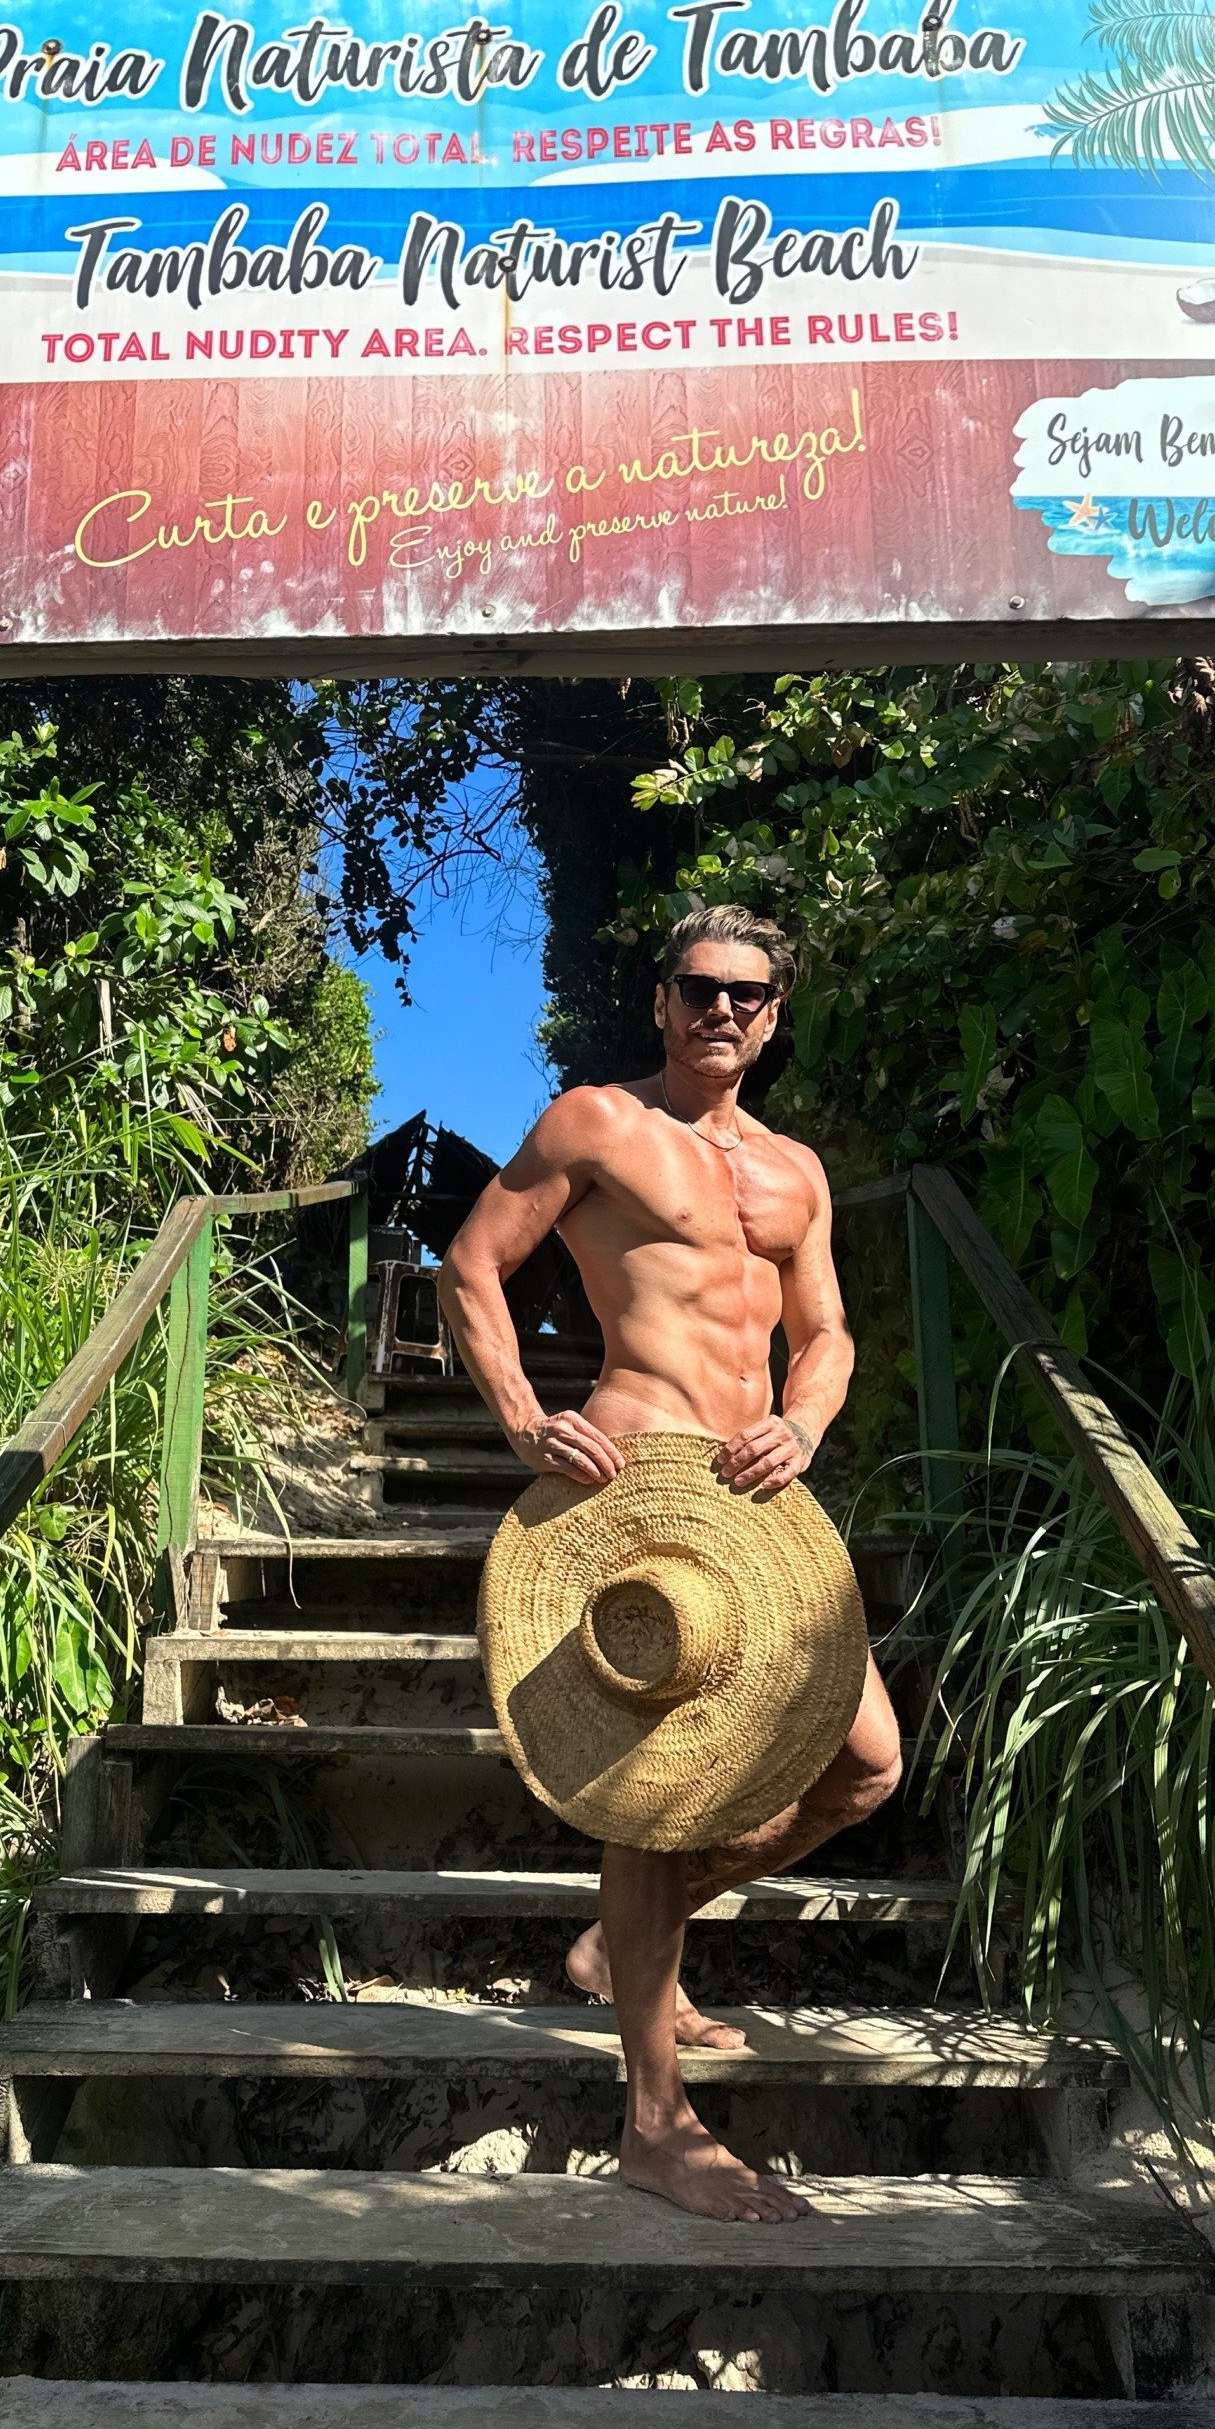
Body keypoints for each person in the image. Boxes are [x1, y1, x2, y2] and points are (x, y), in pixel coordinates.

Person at [437, 904, 902, 2224]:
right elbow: (475, 1261)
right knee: (653, 1799)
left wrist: (806, 1422)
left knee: (868, 1764)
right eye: (700, 987)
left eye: (750, 995)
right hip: (633, 1495)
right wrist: (524, 1416)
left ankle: (621, 1943)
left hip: (755, 1509)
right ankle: (653, 2124)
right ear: (659, 999)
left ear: (775, 1015)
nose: (724, 1011)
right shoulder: (598, 1124)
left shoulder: (794, 1173)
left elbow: (827, 1336)